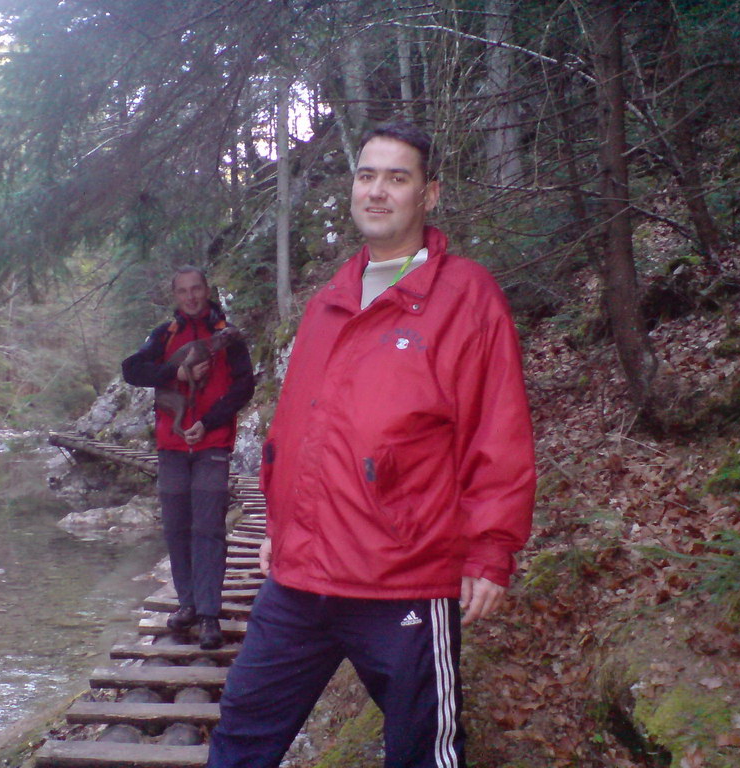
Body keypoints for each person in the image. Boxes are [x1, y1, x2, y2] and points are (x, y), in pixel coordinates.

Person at [208, 122, 536, 767]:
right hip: (300, 577)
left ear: (429, 194)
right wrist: (279, 523)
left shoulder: (465, 296)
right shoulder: (329, 300)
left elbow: (497, 430)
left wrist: (490, 549)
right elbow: (296, 427)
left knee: (422, 752)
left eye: (397, 177)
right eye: (366, 176)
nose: (377, 190)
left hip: (403, 577)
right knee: (241, 735)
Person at [122, 266, 254, 650]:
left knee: (209, 527)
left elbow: (244, 387)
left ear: (207, 290)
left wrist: (208, 422)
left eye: (196, 289)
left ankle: (209, 614)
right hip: (172, 446)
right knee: (177, 527)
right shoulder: (164, 334)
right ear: (175, 296)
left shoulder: (227, 335)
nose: (191, 297)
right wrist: (176, 372)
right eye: (183, 291)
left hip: (212, 443)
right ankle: (188, 605)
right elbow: (132, 370)